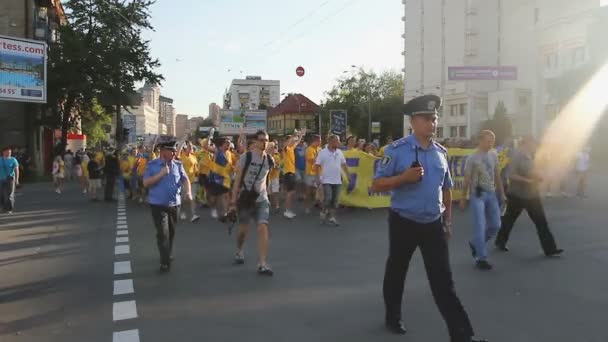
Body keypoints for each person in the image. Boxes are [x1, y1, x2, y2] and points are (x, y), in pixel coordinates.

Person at [372, 95, 487, 342]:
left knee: (443, 282)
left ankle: (462, 336)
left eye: (434, 118)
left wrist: (447, 221)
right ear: (413, 121)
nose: (432, 123)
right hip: (403, 221)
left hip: (433, 224)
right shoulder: (396, 151)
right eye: (426, 119)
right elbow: (376, 184)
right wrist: (403, 178)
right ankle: (393, 317)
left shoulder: (440, 153)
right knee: (397, 271)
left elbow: (446, 189)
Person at [494, 136, 564, 257]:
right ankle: (500, 241)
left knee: (541, 222)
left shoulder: (531, 156)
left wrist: (539, 176)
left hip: (532, 195)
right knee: (509, 220)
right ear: (526, 143)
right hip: (517, 195)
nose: (535, 146)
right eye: (533, 144)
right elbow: (510, 175)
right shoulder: (516, 156)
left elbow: (533, 171)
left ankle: (550, 249)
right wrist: (527, 181)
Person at [229, 130, 275, 276]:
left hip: (261, 199)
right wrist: (232, 201)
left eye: (266, 140)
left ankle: (262, 263)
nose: (264, 143)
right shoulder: (246, 157)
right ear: (255, 142)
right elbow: (237, 181)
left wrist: (267, 194)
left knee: (263, 226)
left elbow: (266, 179)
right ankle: (239, 250)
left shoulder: (269, 160)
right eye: (261, 140)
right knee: (243, 230)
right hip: (245, 199)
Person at [459, 130, 506, 271]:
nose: (490, 143)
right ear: (480, 140)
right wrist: (463, 197)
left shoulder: (493, 154)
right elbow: (467, 179)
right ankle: (481, 258)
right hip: (477, 195)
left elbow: (497, 175)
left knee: (496, 225)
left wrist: (502, 193)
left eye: (492, 141)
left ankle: (475, 244)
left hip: (491, 194)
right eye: (488, 140)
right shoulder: (472, 158)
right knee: (480, 226)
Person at [143, 141, 192, 273]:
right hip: (158, 205)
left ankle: (167, 253)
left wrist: (188, 192)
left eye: (175, 150)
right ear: (163, 151)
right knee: (163, 233)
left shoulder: (178, 164)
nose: (175, 153)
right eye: (172, 150)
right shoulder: (152, 165)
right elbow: (146, 183)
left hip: (175, 204)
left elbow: (185, 179)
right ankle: (164, 262)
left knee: (171, 232)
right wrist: (161, 174)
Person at [315, 135, 350, 226]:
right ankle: (323, 212)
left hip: (337, 180)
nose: (339, 143)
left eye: (338, 141)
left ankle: (331, 217)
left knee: (335, 201)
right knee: (328, 198)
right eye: (337, 141)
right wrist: (318, 177)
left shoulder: (339, 152)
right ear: (330, 142)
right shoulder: (322, 152)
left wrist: (348, 174)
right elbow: (317, 165)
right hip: (326, 179)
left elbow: (344, 164)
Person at [207, 138, 233, 219]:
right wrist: (210, 136)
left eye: (230, 143)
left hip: (225, 179)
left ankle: (226, 213)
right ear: (222, 144)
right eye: (227, 143)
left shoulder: (229, 153)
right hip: (215, 178)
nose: (229, 144)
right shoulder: (217, 151)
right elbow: (206, 146)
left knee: (225, 195)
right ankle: (213, 206)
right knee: (213, 198)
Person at [282, 130, 305, 219]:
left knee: (291, 192)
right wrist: (294, 135)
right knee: (290, 192)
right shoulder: (286, 148)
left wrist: (300, 136)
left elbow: (298, 141)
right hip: (288, 173)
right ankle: (287, 211)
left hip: (292, 172)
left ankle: (288, 210)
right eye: (292, 140)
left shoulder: (291, 148)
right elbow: (286, 144)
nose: (294, 141)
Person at [179, 142, 201, 223]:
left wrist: (197, 175)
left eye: (192, 146)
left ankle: (193, 215)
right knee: (183, 199)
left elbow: (196, 169)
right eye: (189, 146)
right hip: (183, 180)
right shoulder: (182, 156)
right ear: (185, 148)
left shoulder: (194, 157)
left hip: (192, 180)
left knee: (192, 198)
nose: (191, 148)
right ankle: (182, 212)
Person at [304, 135, 322, 214]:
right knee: (308, 191)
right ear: (315, 141)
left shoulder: (320, 149)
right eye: (319, 141)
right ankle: (307, 207)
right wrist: (318, 157)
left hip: (319, 173)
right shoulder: (309, 149)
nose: (320, 142)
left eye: (320, 141)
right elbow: (311, 160)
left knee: (318, 190)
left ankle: (318, 203)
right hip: (310, 173)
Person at [0, 146, 20, 214]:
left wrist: (17, 180)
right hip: (1, 179)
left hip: (10, 179)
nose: (9, 153)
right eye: (7, 151)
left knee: (9, 195)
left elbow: (16, 170)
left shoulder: (13, 159)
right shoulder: (0, 159)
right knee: (1, 194)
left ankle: (9, 209)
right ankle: (3, 207)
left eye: (10, 152)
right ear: (3, 152)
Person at [266, 141, 281, 213]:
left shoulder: (277, 156)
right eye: (270, 148)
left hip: (275, 176)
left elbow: (278, 167)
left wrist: (275, 165)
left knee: (276, 191)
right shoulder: (265, 156)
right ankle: (270, 205)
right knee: (269, 193)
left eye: (273, 148)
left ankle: (277, 206)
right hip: (267, 177)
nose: (272, 149)